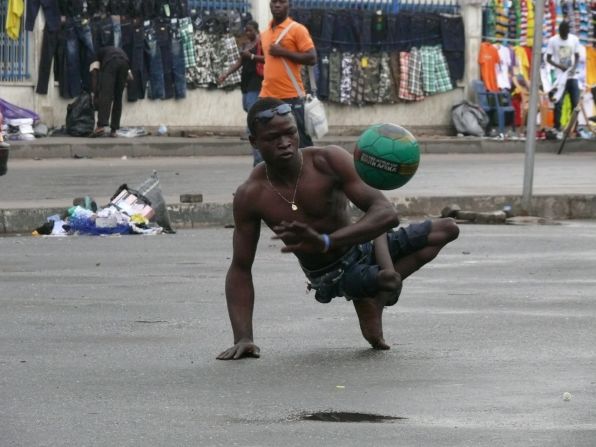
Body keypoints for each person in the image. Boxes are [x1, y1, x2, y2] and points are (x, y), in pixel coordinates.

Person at [217, 98, 460, 360]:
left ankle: (374, 298)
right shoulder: (251, 195)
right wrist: (243, 337)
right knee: (382, 279)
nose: (285, 142)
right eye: (273, 137)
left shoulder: (328, 160)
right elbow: (241, 268)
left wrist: (329, 241)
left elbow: (385, 213)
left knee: (447, 229)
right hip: (330, 274)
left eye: (290, 132)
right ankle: (373, 289)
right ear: (254, 142)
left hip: (360, 244)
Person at [259, 0, 317, 148]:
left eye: (282, 2)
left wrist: (283, 52)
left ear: (288, 5)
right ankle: (268, 171)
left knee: (301, 145)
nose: (277, 5)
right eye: (274, 2)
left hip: (291, 97)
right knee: (268, 144)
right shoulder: (264, 34)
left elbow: (312, 58)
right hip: (267, 97)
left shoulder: (297, 29)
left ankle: (306, 171)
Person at [218, 21, 265, 166]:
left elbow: (268, 59)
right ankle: (256, 127)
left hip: (257, 82)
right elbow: (239, 62)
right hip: (246, 83)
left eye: (250, 31)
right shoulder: (246, 45)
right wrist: (226, 74)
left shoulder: (261, 43)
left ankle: (258, 156)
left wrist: (251, 57)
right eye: (246, 31)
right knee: (246, 106)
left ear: (256, 31)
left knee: (252, 112)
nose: (248, 33)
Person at [545, 21, 581, 136]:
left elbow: (577, 55)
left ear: (568, 32)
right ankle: (557, 126)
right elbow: (548, 58)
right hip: (560, 77)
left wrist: (574, 67)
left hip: (572, 76)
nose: (564, 35)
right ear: (559, 31)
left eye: (565, 34)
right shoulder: (553, 40)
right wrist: (559, 66)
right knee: (558, 102)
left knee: (575, 103)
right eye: (562, 33)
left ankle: (574, 127)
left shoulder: (574, 39)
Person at [89, 45, 132, 137]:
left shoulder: (95, 55)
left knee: (106, 95)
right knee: (118, 98)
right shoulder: (115, 51)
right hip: (125, 62)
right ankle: (114, 130)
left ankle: (101, 126)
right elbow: (130, 77)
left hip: (111, 62)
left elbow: (94, 75)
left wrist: (95, 93)